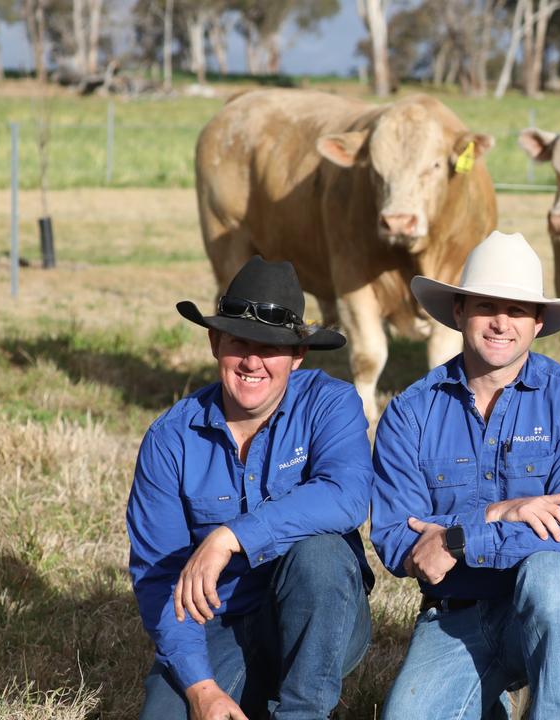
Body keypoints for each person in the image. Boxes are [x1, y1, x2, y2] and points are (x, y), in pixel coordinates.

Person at [370, 231, 560, 720]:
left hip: (544, 613)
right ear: (459, 312)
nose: (501, 323)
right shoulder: (411, 411)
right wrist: (503, 512)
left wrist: (458, 538)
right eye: (486, 306)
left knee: (552, 575)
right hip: (453, 613)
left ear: (539, 322)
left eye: (518, 310)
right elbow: (397, 540)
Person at [126, 256, 374, 720]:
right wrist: (201, 689)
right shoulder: (169, 438)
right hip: (218, 620)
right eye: (240, 342)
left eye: (272, 347)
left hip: (320, 615)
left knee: (321, 553)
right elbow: (159, 575)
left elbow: (347, 496)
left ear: (298, 356)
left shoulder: (331, 404)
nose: (253, 361)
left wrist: (232, 535)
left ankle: (303, 711)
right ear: (215, 342)